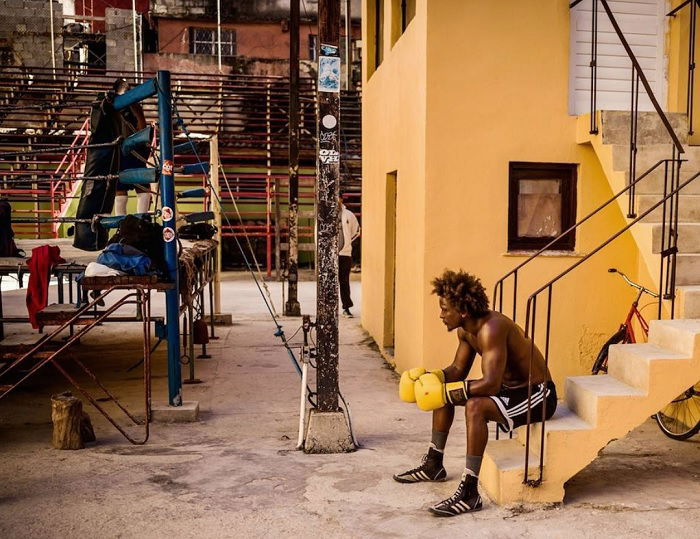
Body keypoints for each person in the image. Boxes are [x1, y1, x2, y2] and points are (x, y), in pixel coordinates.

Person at [395, 269, 557, 517]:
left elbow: (490, 384)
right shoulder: (466, 331)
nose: (440, 315)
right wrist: (429, 378)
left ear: (463, 311)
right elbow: (457, 370)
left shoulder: (492, 328)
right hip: (508, 391)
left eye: (445, 309)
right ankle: (433, 464)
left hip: (536, 395)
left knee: (473, 406)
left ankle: (470, 492)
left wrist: (448, 391)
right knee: (443, 391)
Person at [112, 78, 152, 217]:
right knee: (125, 188)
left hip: (131, 148)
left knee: (138, 187)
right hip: (125, 148)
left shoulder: (128, 105)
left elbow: (141, 126)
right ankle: (130, 225)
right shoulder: (115, 105)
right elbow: (142, 125)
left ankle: (137, 223)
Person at [338, 195, 360, 317]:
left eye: (338, 197)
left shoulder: (349, 215)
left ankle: (346, 308)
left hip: (344, 254)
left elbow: (355, 230)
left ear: (341, 199)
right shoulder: (324, 214)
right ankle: (328, 309)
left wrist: (346, 243)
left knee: (344, 281)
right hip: (329, 255)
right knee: (328, 282)